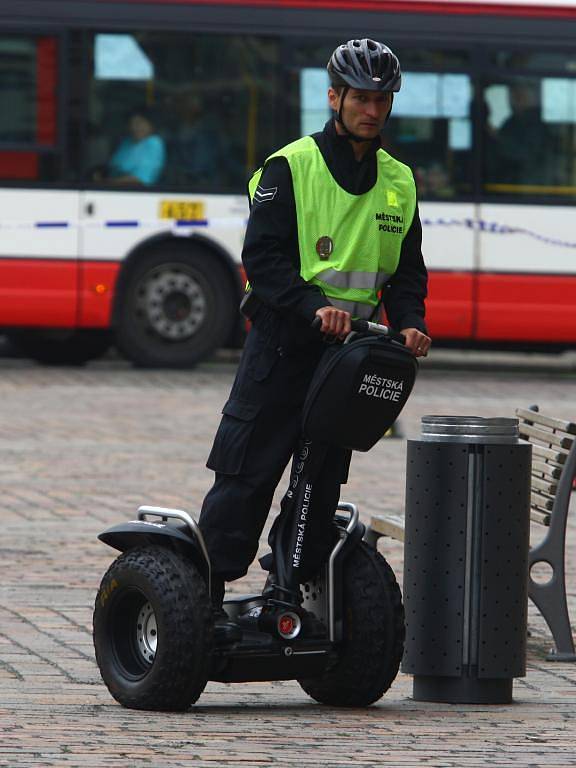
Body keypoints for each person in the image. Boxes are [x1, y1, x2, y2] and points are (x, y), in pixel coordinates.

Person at [198, 38, 431, 637]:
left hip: (346, 360)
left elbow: (405, 272)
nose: (372, 110)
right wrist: (313, 306)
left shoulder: (399, 183)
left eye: (382, 99)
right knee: (249, 472)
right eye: (361, 98)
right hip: (282, 347)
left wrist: (411, 320)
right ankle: (203, 597)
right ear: (335, 97)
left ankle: (290, 587)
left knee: (320, 479)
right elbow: (264, 260)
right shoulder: (290, 167)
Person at [107, 107, 165, 186]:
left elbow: (140, 179)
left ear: (150, 125)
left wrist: (106, 183)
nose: (134, 127)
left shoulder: (154, 143)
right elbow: (112, 166)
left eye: (139, 123)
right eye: (131, 123)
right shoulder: (126, 142)